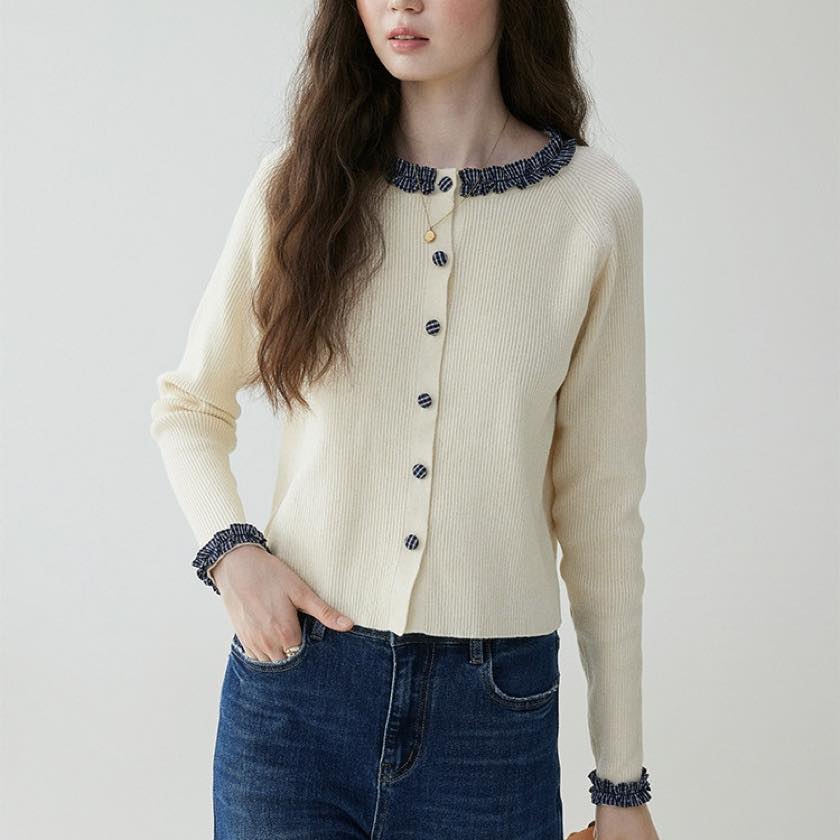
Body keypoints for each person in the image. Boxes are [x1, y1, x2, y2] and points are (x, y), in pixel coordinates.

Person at [149, 2, 660, 838]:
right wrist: (232, 555)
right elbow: (189, 405)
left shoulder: (594, 209)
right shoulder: (298, 184)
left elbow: (603, 513)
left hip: (492, 721)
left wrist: (622, 785)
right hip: (294, 696)